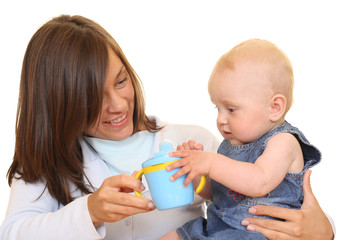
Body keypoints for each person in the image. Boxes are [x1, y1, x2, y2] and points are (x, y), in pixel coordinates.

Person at [0, 15, 334, 240]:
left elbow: (266, 200)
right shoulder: (43, 165)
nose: (117, 105)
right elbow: (14, 232)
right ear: (59, 103)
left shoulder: (193, 140)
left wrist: (325, 230)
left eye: (120, 81)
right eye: (92, 97)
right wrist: (90, 211)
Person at [160, 39, 333, 240]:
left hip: (256, 232)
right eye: (217, 108)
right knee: (174, 236)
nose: (220, 119)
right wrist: (196, 171)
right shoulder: (229, 145)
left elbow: (259, 181)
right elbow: (215, 193)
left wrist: (211, 162)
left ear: (274, 108)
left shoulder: (283, 142)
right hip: (219, 226)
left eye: (231, 109)